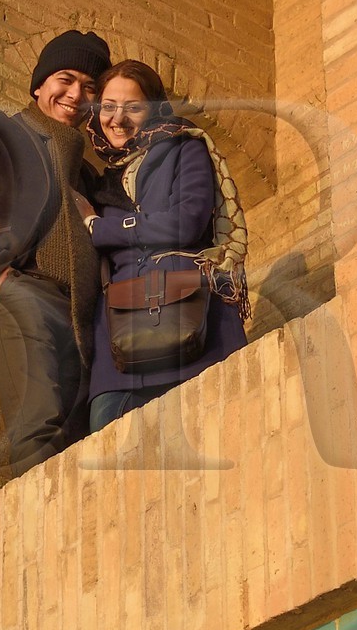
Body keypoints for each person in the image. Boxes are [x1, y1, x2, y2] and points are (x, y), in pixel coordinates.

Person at [0, 30, 112, 474]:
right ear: (38, 85)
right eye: (65, 80)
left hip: (84, 317)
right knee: (38, 425)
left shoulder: (90, 178)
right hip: (20, 293)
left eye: (90, 88)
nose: (76, 95)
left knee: (83, 446)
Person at [77, 60, 249, 433]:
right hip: (121, 336)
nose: (117, 118)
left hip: (192, 319)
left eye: (133, 107)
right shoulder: (100, 182)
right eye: (108, 106)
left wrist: (103, 228)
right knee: (109, 442)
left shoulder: (183, 146)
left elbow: (185, 222)